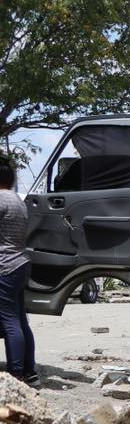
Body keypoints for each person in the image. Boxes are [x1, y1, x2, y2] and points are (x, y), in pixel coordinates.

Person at [0, 159, 37, 384]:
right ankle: (30, 371)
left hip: (4, 265)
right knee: (21, 320)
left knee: (9, 321)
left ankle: (16, 376)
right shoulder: (18, 201)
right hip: (21, 263)